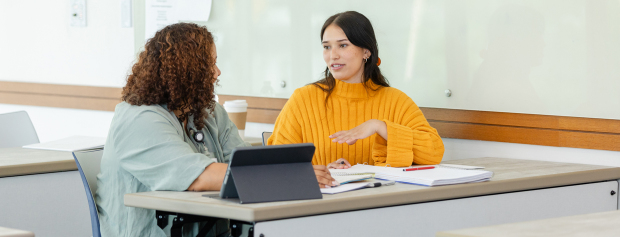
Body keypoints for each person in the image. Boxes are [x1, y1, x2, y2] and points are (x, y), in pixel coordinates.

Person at [96, 23, 249, 237]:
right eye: (210, 65)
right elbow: (198, 177)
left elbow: (244, 162)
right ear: (186, 71)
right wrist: (281, 175)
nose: (217, 73)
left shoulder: (208, 112)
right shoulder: (138, 120)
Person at [268, 11, 445, 187]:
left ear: (366, 51)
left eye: (343, 45)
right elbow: (274, 165)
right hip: (320, 208)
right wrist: (312, 174)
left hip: (382, 207)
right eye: (327, 47)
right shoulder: (303, 100)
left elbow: (434, 151)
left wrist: (380, 126)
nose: (333, 55)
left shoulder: (396, 101)